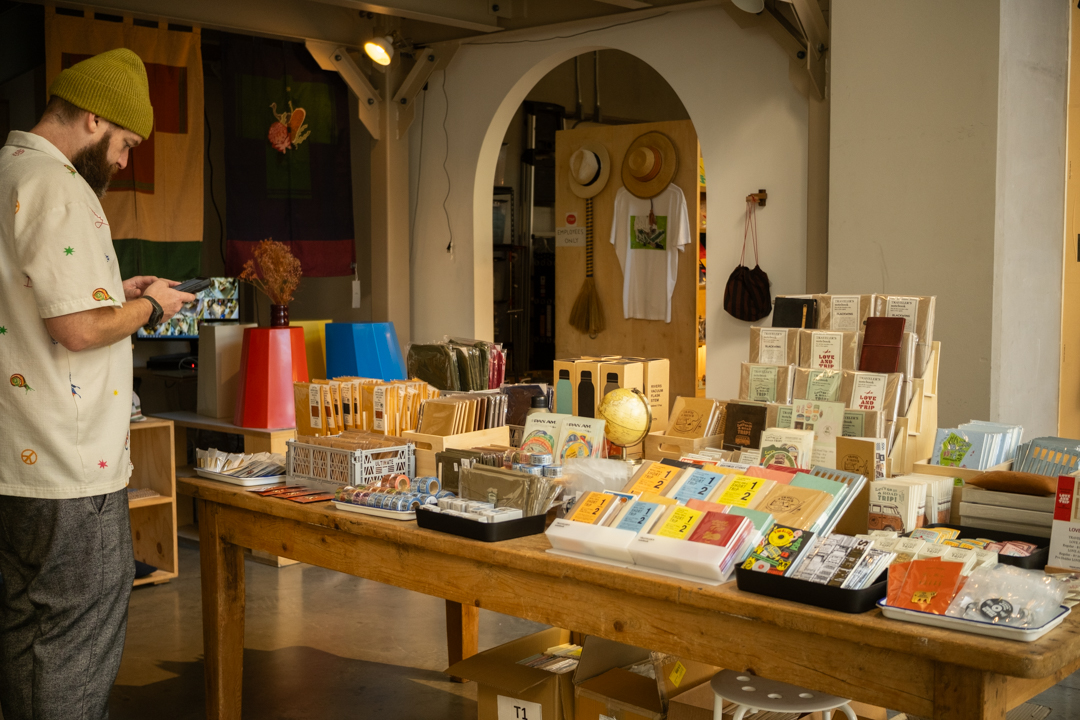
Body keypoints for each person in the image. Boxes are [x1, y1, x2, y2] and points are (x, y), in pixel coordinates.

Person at [0, 48, 195, 720]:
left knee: (28, 628)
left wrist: (121, 289)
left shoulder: (8, 172)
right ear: (93, 117)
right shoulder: (58, 186)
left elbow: (39, 301)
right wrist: (153, 307)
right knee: (75, 637)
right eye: (125, 143)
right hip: (68, 464)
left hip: (17, 457)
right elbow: (78, 330)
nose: (124, 160)